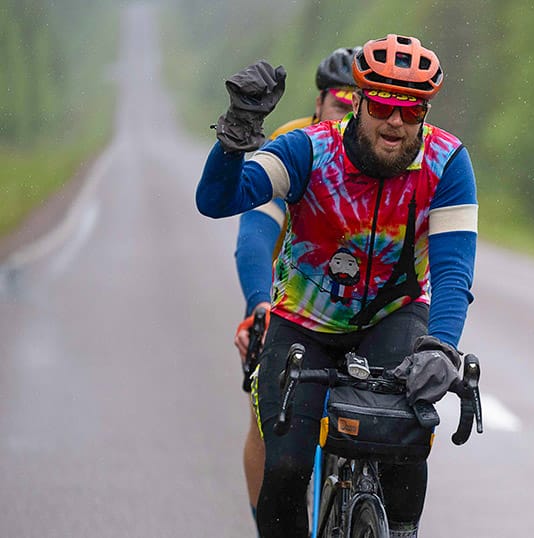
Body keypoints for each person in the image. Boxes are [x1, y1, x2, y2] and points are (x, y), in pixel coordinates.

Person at [199, 33, 478, 538]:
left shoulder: (446, 162)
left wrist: (443, 345)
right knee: (285, 471)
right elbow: (216, 201)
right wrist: (235, 132)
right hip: (304, 322)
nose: (395, 121)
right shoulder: (309, 149)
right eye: (384, 105)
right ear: (360, 102)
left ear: (425, 112)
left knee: (406, 443)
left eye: (411, 110)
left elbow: (454, 271)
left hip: (392, 317)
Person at [231, 45, 361, 528]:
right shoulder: (296, 146)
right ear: (319, 105)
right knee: (270, 421)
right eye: (340, 105)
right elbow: (255, 235)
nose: (350, 117)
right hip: (294, 298)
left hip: (367, 307)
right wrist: (258, 305)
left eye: (360, 106)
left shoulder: (393, 153)